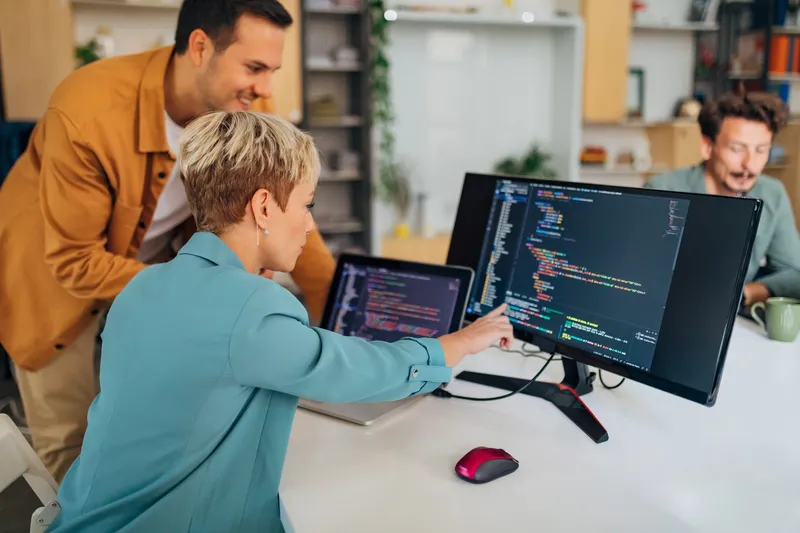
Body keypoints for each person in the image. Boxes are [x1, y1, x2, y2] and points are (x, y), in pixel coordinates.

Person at [48, 110, 514, 532]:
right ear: (264, 206)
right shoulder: (253, 306)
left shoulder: (143, 285)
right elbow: (360, 369)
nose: (310, 225)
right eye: (307, 204)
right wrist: (459, 343)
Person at [0, 0, 336, 484]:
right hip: (52, 283)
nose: (266, 89)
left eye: (272, 71)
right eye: (254, 68)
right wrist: (205, 287)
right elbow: (73, 261)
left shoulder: (245, 103)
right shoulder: (88, 110)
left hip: (149, 274)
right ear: (200, 47)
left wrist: (337, 323)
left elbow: (288, 212)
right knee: (74, 449)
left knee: (152, 432)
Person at [644, 92, 800, 305]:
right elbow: (644, 272)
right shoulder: (663, 190)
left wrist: (746, 294)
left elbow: (794, 271)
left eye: (761, 150)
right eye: (737, 149)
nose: (749, 164)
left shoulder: (772, 193)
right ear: (707, 147)